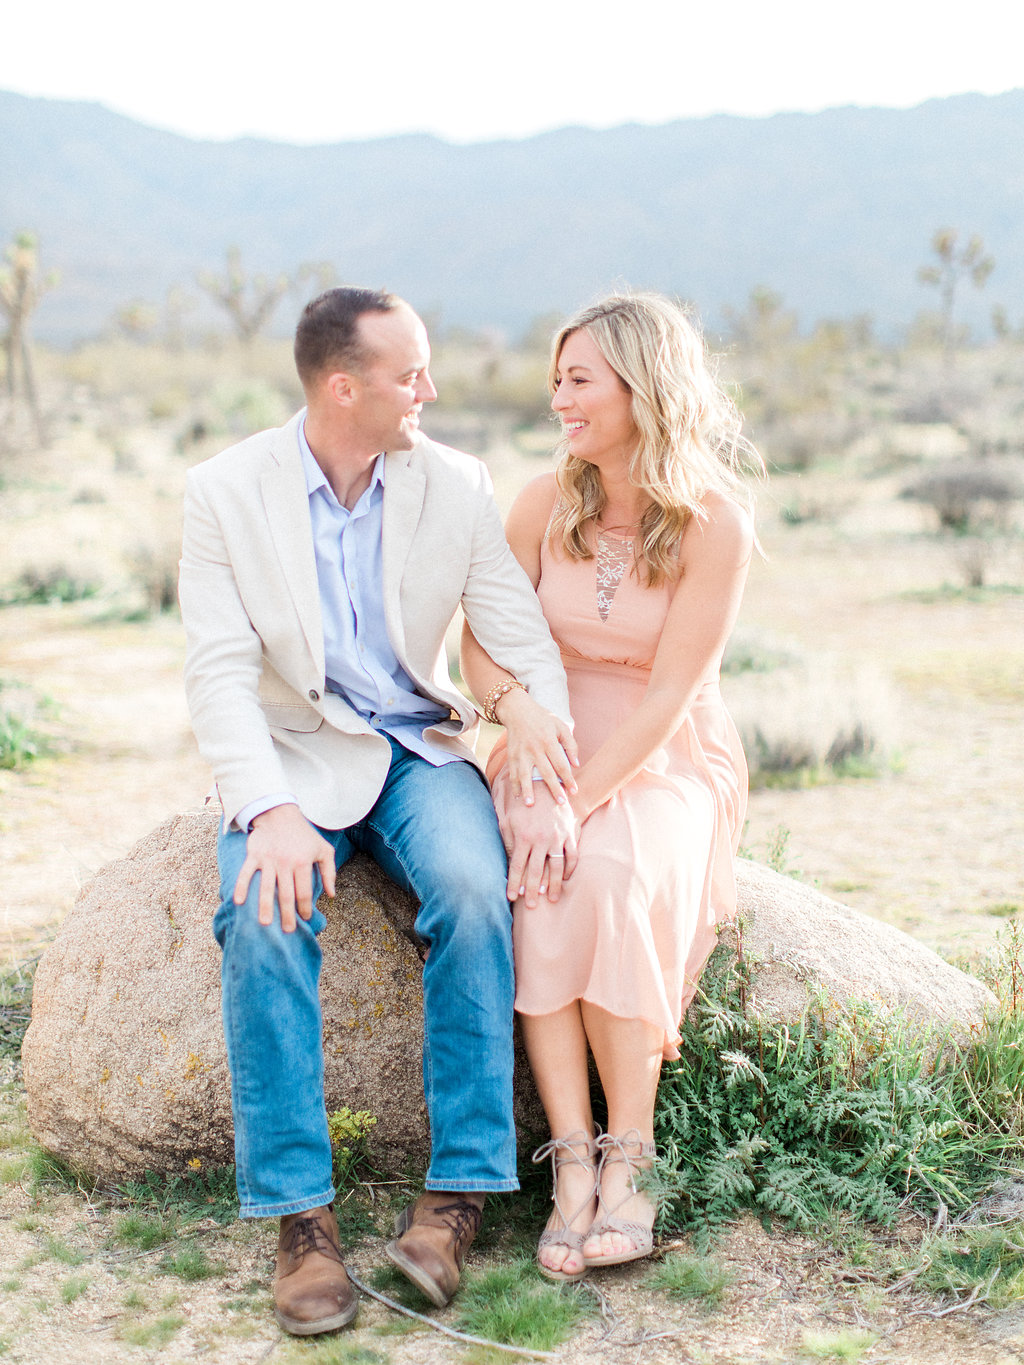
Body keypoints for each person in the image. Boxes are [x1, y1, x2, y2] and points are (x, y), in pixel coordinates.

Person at [177, 287, 579, 1336]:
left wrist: (532, 745)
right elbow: (218, 675)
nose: (430, 392)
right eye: (411, 375)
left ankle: (457, 1197)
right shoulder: (224, 492)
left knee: (471, 891)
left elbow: (513, 629)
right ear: (342, 386)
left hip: (413, 746)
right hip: (289, 760)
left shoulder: (454, 482)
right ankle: (300, 1222)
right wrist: (263, 807)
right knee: (264, 918)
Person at [462, 291, 760, 1281]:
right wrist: (514, 716)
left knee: (610, 870)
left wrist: (574, 801)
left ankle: (630, 1156)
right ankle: (572, 1164)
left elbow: (671, 696)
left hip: (657, 749)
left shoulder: (712, 522)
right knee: (535, 875)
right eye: (555, 379)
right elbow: (481, 645)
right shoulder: (542, 505)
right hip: (545, 734)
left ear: (642, 387)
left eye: (578, 379)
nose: (558, 399)